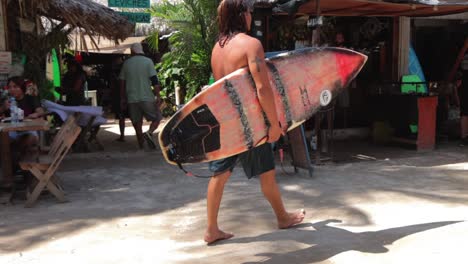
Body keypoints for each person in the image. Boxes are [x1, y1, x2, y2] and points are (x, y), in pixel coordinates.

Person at [204, 0, 305, 245]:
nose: (251, 16)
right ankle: (282, 217)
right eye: (250, 12)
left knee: (219, 175)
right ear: (242, 15)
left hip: (227, 121)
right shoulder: (251, 45)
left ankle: (211, 229)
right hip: (251, 121)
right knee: (267, 173)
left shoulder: (217, 48)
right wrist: (272, 124)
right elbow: (262, 88)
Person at [119, 43, 162, 149]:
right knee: (157, 117)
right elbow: (154, 81)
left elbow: (122, 82)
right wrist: (158, 96)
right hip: (147, 97)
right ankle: (149, 132)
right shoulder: (148, 62)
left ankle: (141, 146)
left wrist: (123, 98)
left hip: (132, 98)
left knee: (137, 122)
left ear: (132, 51)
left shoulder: (126, 63)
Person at [7, 76, 45, 156]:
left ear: (22, 87)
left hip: (29, 130)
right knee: (4, 142)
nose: (12, 89)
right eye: (9, 87)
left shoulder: (30, 99)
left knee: (25, 140)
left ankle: (17, 163)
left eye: (15, 87)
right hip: (12, 132)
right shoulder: (8, 102)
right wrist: (3, 108)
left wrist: (36, 114)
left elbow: (40, 111)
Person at [110, 56, 127, 142]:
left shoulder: (124, 68)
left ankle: (122, 135)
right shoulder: (116, 69)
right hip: (119, 94)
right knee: (121, 117)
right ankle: (122, 135)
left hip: (124, 94)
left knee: (123, 116)